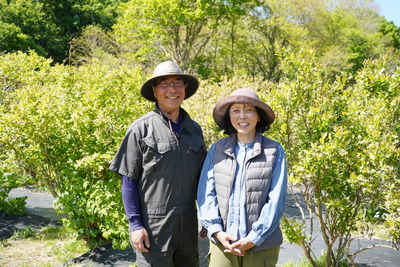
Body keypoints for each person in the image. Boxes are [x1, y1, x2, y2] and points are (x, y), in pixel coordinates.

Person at [109, 61, 207, 266]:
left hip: (188, 222)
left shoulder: (194, 130)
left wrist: (207, 217)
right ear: (154, 91)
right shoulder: (140, 129)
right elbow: (128, 181)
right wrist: (136, 225)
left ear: (185, 89)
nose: (172, 89)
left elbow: (203, 180)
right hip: (154, 225)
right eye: (164, 84)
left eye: (178, 83)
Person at [197, 88, 287, 267]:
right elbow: (206, 194)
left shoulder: (274, 151)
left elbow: (276, 200)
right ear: (230, 117)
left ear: (259, 116)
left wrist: (254, 238)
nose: (242, 116)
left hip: (260, 246)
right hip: (223, 244)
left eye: (249, 110)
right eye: (236, 110)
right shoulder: (217, 149)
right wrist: (216, 231)